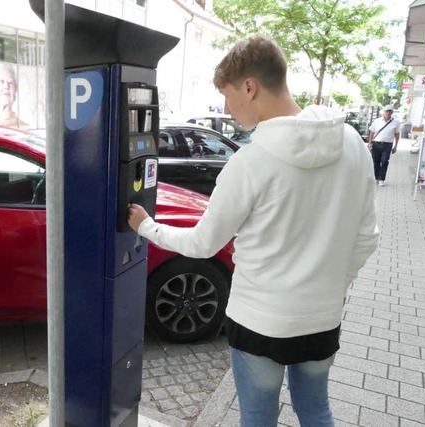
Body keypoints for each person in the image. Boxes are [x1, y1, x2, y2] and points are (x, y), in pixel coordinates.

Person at [128, 35, 379, 427]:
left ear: (250, 87)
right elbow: (367, 238)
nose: (227, 109)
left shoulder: (250, 162)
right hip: (322, 318)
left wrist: (148, 227)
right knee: (316, 410)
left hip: (260, 321)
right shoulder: (352, 145)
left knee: (257, 419)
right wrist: (332, 286)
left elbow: (203, 242)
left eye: (227, 96)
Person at [367, 105, 401, 187]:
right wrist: (369, 143)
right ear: (384, 112)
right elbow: (371, 132)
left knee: (385, 161)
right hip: (376, 143)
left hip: (387, 145)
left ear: (392, 112)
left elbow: (397, 134)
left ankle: (381, 179)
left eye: (390, 111)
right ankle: (376, 177)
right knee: (376, 161)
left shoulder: (396, 122)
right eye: (387, 111)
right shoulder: (377, 121)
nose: (388, 113)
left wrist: (396, 146)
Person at [0, 63, 29, 128]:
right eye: (1, 81)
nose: (6, 86)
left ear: (15, 90)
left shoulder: (24, 128)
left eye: (10, 82)